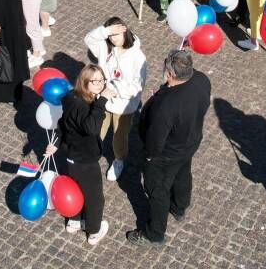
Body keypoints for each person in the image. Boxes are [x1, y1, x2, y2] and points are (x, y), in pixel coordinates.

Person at [126, 50, 212, 247]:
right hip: (189, 143)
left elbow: (155, 139)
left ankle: (154, 234)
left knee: (157, 190)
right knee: (182, 174)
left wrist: (149, 157)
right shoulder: (201, 79)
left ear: (171, 74)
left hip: (166, 155)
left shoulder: (167, 105)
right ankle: (179, 207)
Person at [49, 65, 111, 245]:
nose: (100, 84)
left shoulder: (70, 98)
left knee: (75, 189)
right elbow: (91, 127)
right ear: (84, 82)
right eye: (95, 81)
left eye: (102, 80)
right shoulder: (83, 107)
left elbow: (62, 123)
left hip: (71, 156)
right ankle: (93, 231)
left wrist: (56, 142)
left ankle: (74, 221)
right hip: (85, 160)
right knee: (94, 197)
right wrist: (102, 101)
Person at [85, 17, 147, 182]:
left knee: (119, 137)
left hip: (124, 106)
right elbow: (88, 39)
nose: (113, 39)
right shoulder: (105, 47)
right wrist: (105, 32)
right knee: (97, 131)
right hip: (104, 101)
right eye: (110, 35)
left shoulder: (138, 57)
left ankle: (119, 161)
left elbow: (137, 87)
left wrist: (115, 89)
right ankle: (91, 155)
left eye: (116, 34)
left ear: (125, 30)